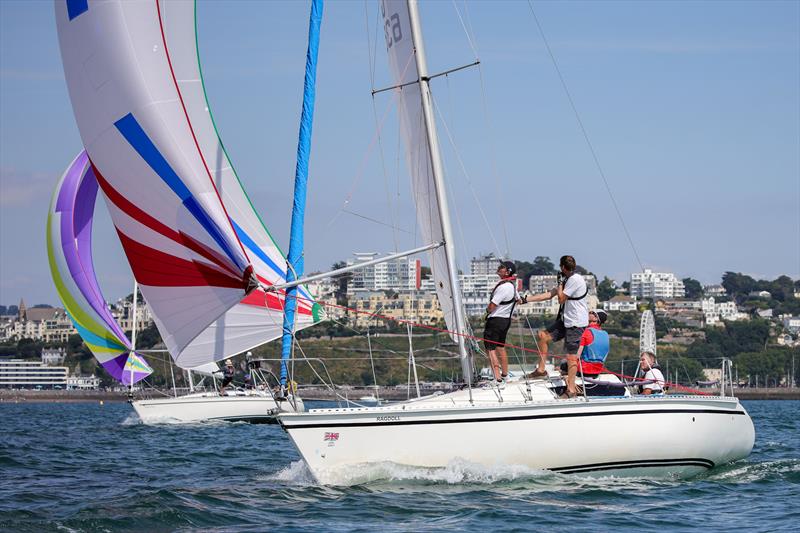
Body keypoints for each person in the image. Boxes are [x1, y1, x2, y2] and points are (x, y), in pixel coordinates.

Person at [519, 255, 589, 379]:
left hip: (576, 322)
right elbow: (549, 295)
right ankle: (541, 370)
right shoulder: (567, 280)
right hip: (566, 319)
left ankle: (571, 385)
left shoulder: (575, 280)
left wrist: (560, 283)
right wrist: (525, 300)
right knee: (543, 336)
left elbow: (561, 299)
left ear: (562, 267)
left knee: (571, 356)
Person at [483, 261, 520, 384]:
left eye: (502, 267)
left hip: (495, 320)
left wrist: (487, 311)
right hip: (506, 321)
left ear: (507, 271)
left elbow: (492, 305)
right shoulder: (512, 286)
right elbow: (519, 300)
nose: (499, 268)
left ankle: (497, 378)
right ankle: (505, 375)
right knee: (500, 347)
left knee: (490, 348)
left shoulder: (504, 287)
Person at [561, 309, 610, 398]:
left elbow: (577, 355)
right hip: (598, 370)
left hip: (584, 370)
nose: (588, 313)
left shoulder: (586, 332)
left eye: (591, 313)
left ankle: (570, 388)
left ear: (596, 318)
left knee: (564, 364)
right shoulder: (605, 334)